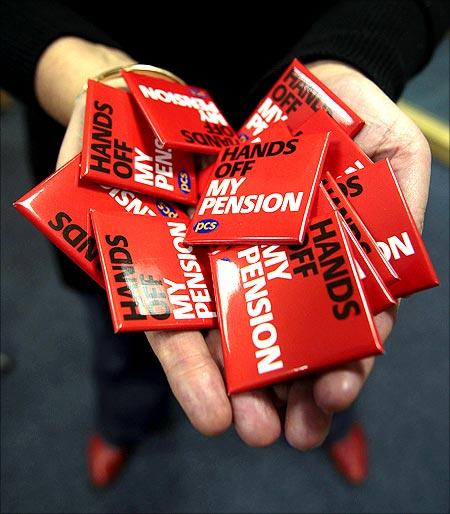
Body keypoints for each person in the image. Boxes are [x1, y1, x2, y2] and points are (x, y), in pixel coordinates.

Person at [1, 0, 448, 487]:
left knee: (326, 326)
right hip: (105, 123)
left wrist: (348, 58)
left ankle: (335, 420)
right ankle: (124, 423)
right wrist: (79, 69)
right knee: (122, 337)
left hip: (302, 98)